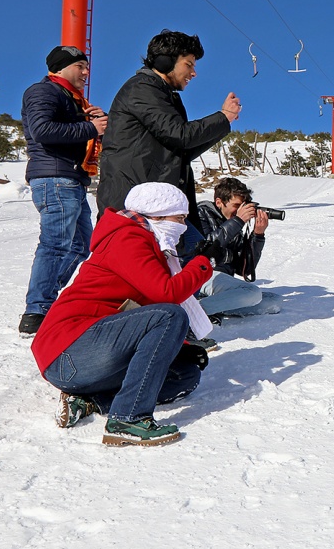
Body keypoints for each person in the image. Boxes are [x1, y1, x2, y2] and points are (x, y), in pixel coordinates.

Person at [32, 182, 215, 446]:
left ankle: (89, 402)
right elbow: (165, 295)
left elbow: (138, 311)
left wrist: (178, 348)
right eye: (180, 219)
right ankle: (128, 418)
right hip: (68, 352)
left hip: (90, 356)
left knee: (184, 374)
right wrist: (204, 263)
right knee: (170, 315)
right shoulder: (127, 237)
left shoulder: (148, 242)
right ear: (159, 215)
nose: (183, 227)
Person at [96, 29, 241, 223]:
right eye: (188, 64)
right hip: (137, 208)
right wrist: (223, 117)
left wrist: (224, 122)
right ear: (165, 61)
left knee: (201, 251)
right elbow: (180, 135)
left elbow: (182, 149)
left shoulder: (162, 95)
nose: (194, 73)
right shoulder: (142, 88)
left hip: (161, 205)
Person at [18, 45, 108, 336]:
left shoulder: (72, 100)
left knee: (81, 245)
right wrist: (90, 128)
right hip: (55, 177)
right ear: (60, 68)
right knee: (56, 244)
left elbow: (67, 129)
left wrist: (89, 121)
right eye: (80, 66)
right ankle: (37, 310)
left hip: (71, 178)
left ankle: (46, 302)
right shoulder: (43, 92)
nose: (85, 72)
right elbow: (44, 130)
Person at [190, 177, 283, 318]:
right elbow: (205, 248)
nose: (240, 210)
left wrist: (258, 235)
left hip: (222, 280)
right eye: (236, 205)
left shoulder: (234, 223)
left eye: (243, 206)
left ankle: (209, 306)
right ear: (219, 202)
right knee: (252, 293)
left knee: (272, 301)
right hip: (201, 274)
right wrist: (237, 221)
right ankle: (193, 314)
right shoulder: (200, 214)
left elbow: (244, 268)